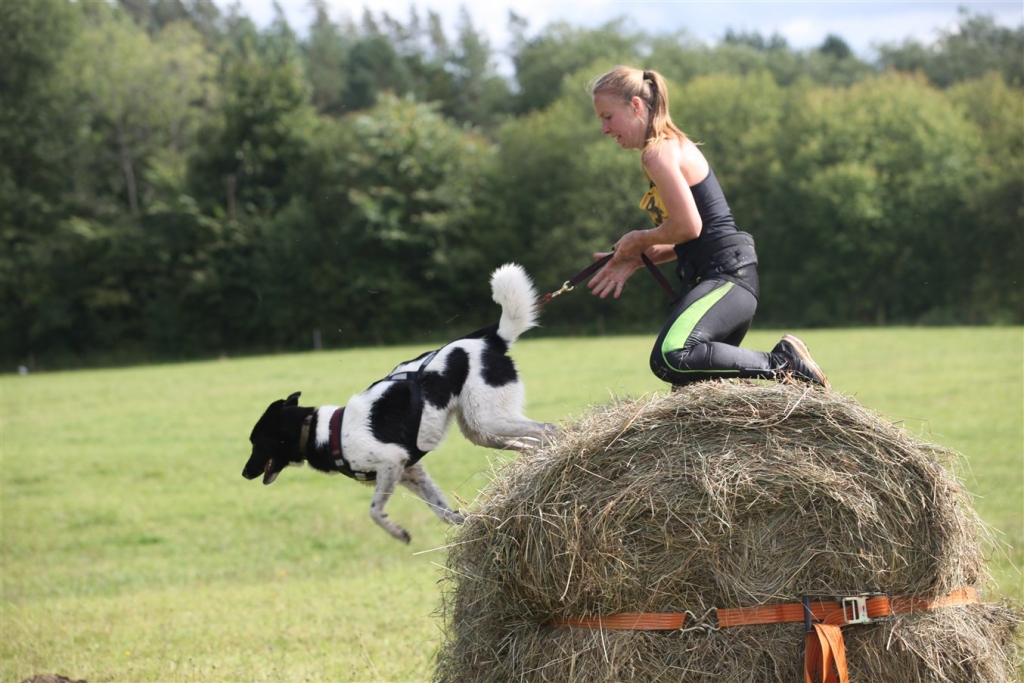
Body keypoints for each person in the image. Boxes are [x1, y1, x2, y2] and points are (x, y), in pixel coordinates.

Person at [586, 65, 830, 389]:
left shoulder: (657, 153)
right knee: (688, 388)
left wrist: (639, 238)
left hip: (725, 277)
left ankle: (785, 363)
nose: (604, 129)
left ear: (636, 106)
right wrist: (637, 256)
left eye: (607, 117)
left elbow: (688, 226)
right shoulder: (668, 147)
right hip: (723, 276)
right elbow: (691, 237)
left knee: (671, 356)